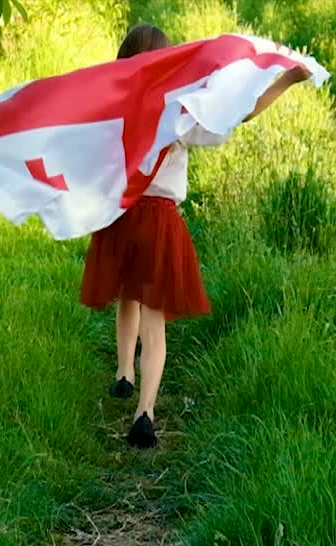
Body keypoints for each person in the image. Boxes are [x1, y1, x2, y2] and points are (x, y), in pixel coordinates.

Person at [79, 23, 312, 449]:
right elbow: (239, 114)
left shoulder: (114, 109)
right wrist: (287, 80)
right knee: (155, 319)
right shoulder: (178, 112)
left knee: (126, 296)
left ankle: (122, 373)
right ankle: (145, 411)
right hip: (159, 219)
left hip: (120, 217)